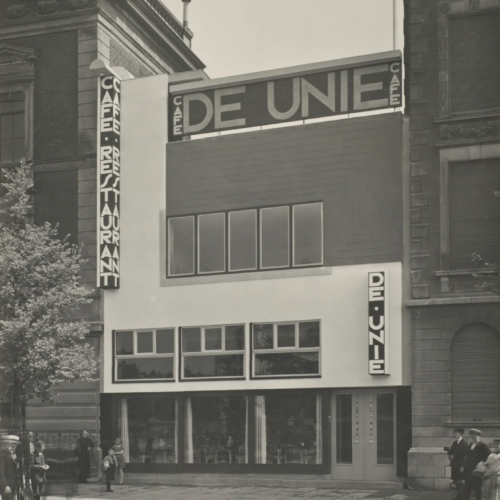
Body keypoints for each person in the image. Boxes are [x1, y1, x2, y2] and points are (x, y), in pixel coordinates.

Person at [463, 429, 491, 500]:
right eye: (472, 435)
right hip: (469, 472)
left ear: (479, 436)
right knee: (466, 490)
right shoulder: (470, 445)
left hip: (477, 473)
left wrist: (483, 464)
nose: (473, 437)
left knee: (478, 492)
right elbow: (467, 457)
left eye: (475, 435)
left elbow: (490, 457)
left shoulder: (483, 446)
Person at [445, 427, 468, 500]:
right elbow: (452, 452)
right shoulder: (455, 443)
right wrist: (450, 455)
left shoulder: (464, 443)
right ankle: (459, 495)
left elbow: (465, 456)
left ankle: (463, 496)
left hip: (460, 466)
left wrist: (462, 466)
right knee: (456, 480)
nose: (454, 434)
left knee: (461, 481)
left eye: (456, 433)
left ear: (460, 433)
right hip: (454, 465)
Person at [1, 436, 19, 500]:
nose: (14, 446)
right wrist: (5, 485)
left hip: (12, 483)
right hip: (7, 485)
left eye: (16, 444)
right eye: (12, 443)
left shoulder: (13, 454)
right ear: (6, 444)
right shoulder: (3, 454)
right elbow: (1, 471)